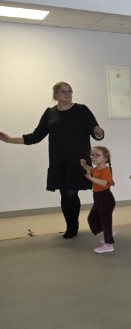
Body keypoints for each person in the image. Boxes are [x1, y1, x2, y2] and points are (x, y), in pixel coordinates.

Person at [0, 81, 104, 239]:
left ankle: (73, 227)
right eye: (63, 91)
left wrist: (99, 132)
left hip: (78, 161)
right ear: (56, 95)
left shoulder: (81, 110)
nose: (67, 94)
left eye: (70, 91)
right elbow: (35, 136)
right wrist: (9, 139)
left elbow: (97, 133)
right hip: (58, 161)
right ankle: (71, 225)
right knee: (65, 194)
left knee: (70, 193)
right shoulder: (50, 113)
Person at [80, 146, 115, 254]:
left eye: (97, 155)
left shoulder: (105, 170)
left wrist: (91, 178)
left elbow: (104, 183)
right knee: (92, 218)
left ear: (105, 158)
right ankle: (108, 232)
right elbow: (92, 170)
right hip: (98, 198)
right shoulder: (97, 169)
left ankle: (108, 245)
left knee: (105, 222)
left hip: (105, 198)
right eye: (93, 155)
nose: (93, 157)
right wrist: (84, 166)